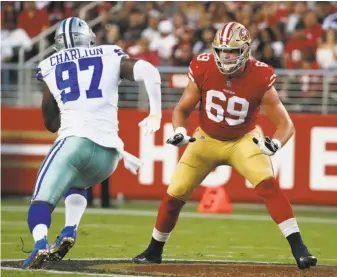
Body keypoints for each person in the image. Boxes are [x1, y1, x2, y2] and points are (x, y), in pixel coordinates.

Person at [132, 22, 317, 271]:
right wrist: (178, 130)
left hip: (243, 139)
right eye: (222, 50)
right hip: (206, 139)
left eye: (232, 51)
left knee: (268, 185)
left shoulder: (260, 75)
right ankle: (154, 250)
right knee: (174, 193)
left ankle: (300, 250)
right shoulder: (203, 65)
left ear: (246, 50)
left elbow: (285, 124)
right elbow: (182, 109)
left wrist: (276, 143)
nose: (226, 56)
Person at [22, 17, 162, 269]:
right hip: (109, 156)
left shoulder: (49, 64)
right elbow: (149, 71)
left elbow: (50, 122)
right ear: (88, 38)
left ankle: (40, 243)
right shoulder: (108, 53)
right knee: (77, 184)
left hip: (74, 142)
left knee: (40, 201)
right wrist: (155, 113)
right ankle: (69, 229)